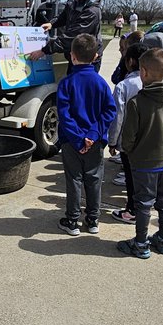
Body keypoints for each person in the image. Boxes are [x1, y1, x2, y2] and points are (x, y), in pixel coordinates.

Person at [55, 33, 117, 236]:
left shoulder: (66, 83)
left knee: (74, 179)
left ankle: (72, 221)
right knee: (94, 179)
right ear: (96, 57)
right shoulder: (100, 83)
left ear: (72, 56)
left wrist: (78, 138)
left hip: (71, 142)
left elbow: (64, 116)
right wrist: (92, 134)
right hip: (96, 141)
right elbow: (109, 111)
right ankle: (92, 219)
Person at [118, 48, 163, 258]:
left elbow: (129, 137)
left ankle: (141, 242)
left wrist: (130, 152)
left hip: (143, 162)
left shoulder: (137, 102)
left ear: (143, 72)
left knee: (143, 203)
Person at [27, 0, 103, 71]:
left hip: (88, 58)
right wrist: (52, 24)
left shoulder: (92, 11)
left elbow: (71, 37)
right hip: (75, 55)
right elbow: (65, 15)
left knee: (82, 85)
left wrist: (44, 51)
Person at [109, 42, 147, 224]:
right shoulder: (153, 82)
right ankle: (145, 205)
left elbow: (118, 117)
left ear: (130, 61)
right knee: (144, 176)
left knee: (131, 177)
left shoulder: (123, 86)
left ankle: (131, 210)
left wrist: (113, 141)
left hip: (128, 141)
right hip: (148, 139)